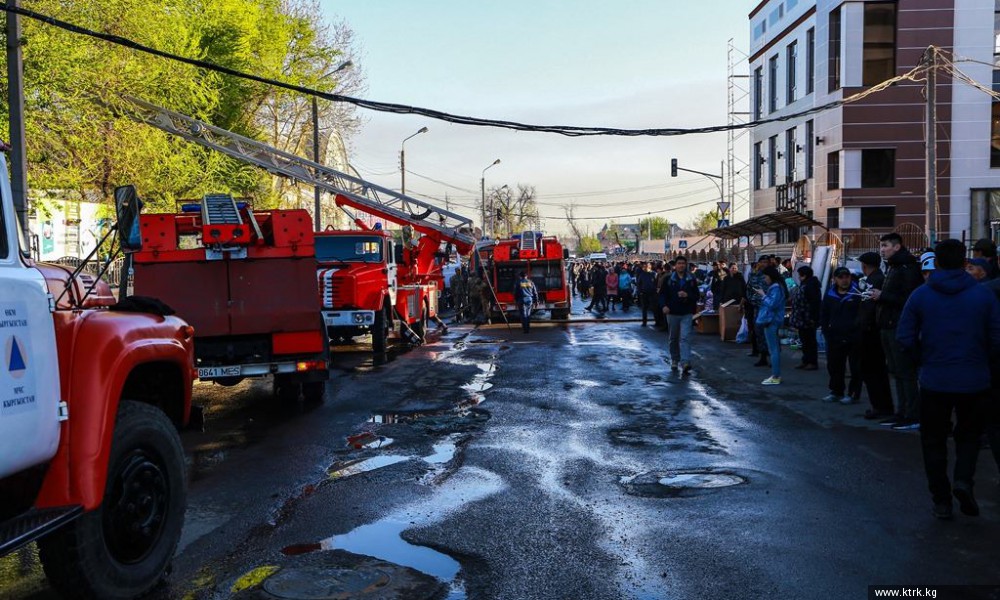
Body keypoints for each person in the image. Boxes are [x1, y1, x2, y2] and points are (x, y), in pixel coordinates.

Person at [897, 239, 1000, 519]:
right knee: (968, 437)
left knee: (933, 440)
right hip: (975, 379)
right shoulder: (983, 296)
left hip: (934, 380)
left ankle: (941, 500)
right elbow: (996, 339)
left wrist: (923, 358)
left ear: (937, 263)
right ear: (964, 261)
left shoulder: (921, 295)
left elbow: (904, 337)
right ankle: (963, 480)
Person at [870, 233, 923, 431]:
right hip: (887, 325)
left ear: (897, 247)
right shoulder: (893, 267)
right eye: (881, 246)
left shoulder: (907, 268)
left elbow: (909, 299)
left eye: (885, 245)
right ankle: (901, 412)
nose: (882, 249)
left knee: (905, 372)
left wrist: (883, 295)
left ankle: (912, 414)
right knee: (896, 371)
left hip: (899, 327)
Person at [856, 252, 894, 420]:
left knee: (872, 371)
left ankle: (880, 406)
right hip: (872, 330)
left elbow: (869, 308)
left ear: (864, 265)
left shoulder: (875, 280)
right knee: (875, 371)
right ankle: (881, 405)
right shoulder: (877, 278)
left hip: (871, 332)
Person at [820, 267, 863, 403]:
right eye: (841, 277)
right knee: (834, 366)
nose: (844, 280)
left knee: (855, 367)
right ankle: (836, 391)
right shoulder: (830, 294)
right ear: (835, 279)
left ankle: (853, 394)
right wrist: (826, 330)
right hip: (835, 336)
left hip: (854, 337)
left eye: (846, 277)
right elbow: (824, 314)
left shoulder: (858, 293)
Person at [660, 256, 699, 374]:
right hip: (672, 313)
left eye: (683, 263)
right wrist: (664, 306)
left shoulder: (691, 279)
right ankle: (675, 360)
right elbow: (662, 295)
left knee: (685, 337)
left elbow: (696, 295)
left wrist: (687, 295)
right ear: (675, 265)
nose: (681, 265)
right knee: (673, 338)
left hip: (686, 313)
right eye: (679, 263)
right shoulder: (668, 279)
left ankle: (685, 362)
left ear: (686, 265)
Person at [755, 266, 787, 385]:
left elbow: (772, 304)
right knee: (774, 349)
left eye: (765, 276)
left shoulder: (775, 288)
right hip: (773, 320)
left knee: (773, 349)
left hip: (771, 320)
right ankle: (775, 375)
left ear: (771, 276)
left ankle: (775, 376)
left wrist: (763, 295)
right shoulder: (778, 287)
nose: (764, 279)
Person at [790, 266, 821, 371]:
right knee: (805, 341)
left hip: (807, 319)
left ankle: (812, 362)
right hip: (802, 319)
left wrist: (813, 318)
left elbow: (814, 303)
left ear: (804, 275)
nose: (798, 277)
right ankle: (806, 360)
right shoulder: (806, 284)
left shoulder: (810, 286)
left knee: (809, 341)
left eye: (800, 275)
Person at [746, 256, 770, 365]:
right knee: (758, 331)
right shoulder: (753, 275)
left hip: (769, 307)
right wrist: (752, 300)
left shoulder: (772, 275)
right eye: (762, 262)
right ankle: (763, 356)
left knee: (770, 332)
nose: (764, 264)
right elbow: (749, 289)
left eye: (766, 262)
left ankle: (773, 356)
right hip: (757, 307)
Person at [637, 262, 659, 327]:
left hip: (652, 293)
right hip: (644, 293)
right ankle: (644, 322)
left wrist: (655, 290)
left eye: (646, 266)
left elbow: (657, 283)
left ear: (650, 267)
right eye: (644, 266)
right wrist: (640, 291)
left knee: (654, 308)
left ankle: (657, 322)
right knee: (644, 308)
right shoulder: (642, 274)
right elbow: (639, 284)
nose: (645, 267)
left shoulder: (654, 274)